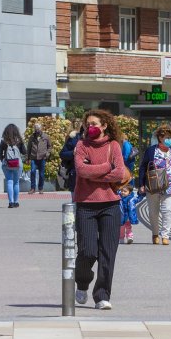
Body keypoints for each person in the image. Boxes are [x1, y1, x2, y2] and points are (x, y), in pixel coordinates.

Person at [72, 109, 127, 311]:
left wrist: (93, 172)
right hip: (86, 204)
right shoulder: (81, 145)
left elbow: (119, 173)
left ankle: (102, 296)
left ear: (104, 125)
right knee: (87, 251)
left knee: (107, 253)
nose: (90, 128)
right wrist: (106, 167)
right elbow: (81, 170)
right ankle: (82, 282)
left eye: (94, 124)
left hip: (110, 205)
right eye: (87, 125)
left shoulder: (114, 146)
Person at [137, 125, 171, 246]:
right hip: (153, 185)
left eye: (170, 137)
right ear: (160, 138)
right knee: (153, 212)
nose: (169, 140)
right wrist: (141, 184)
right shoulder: (151, 151)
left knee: (167, 210)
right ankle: (155, 233)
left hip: (170, 185)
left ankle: (165, 235)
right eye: (167, 137)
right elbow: (143, 167)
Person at [0, 124, 27, 209]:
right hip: (18, 164)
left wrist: (3, 160)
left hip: (7, 164)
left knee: (9, 181)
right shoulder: (19, 140)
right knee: (16, 182)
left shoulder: (4, 141)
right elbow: (24, 152)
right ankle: (16, 202)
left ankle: (10, 202)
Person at [27, 122, 51, 194]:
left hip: (42, 157)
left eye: (38, 129)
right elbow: (29, 148)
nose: (37, 130)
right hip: (33, 157)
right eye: (35, 129)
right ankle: (32, 188)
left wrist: (47, 154)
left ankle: (40, 188)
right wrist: (28, 158)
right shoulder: (32, 137)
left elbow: (49, 147)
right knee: (32, 172)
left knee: (41, 174)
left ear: (41, 129)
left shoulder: (46, 136)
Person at [58, 119, 81, 192]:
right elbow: (62, 154)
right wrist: (73, 153)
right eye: (75, 122)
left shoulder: (89, 137)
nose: (76, 124)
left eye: (78, 122)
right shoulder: (72, 137)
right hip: (74, 171)